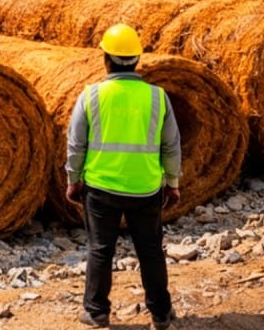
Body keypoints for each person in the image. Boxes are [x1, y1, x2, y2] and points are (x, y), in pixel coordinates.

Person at [65, 25, 181, 330]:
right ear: (137, 59)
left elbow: (76, 143)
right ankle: (161, 313)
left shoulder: (91, 95)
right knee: (151, 250)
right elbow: (171, 145)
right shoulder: (157, 96)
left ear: (106, 59)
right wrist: (172, 182)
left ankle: (96, 311)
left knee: (100, 249)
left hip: (101, 188)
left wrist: (72, 179)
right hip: (145, 188)